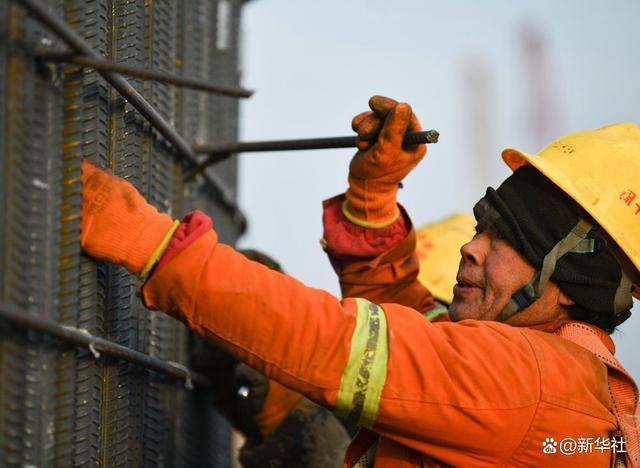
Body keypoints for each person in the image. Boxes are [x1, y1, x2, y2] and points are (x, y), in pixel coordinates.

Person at [79, 96, 639, 466]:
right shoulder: (564, 383)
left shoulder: (528, 384)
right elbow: (417, 336)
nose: (471, 246)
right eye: (481, 228)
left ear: (572, 280)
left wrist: (155, 247)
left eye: (505, 239)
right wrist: (371, 205)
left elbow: (339, 347)